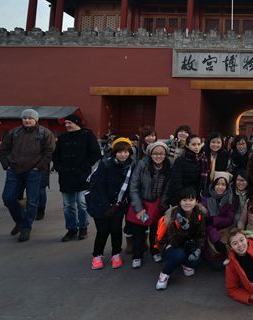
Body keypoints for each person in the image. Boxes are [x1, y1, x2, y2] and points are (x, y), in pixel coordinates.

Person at [0, 108, 55, 242]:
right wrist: (6, 165)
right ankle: (20, 221)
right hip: (14, 170)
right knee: (8, 198)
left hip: (34, 171)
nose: (27, 120)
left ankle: (26, 227)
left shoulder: (44, 133)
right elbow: (4, 149)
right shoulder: (14, 132)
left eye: (30, 118)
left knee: (32, 201)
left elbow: (49, 152)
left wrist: (38, 167)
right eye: (25, 118)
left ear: (36, 119)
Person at [52, 114, 102, 242]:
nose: (67, 125)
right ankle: (71, 229)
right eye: (66, 123)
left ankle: (83, 227)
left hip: (82, 176)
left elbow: (96, 153)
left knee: (82, 203)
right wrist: (58, 167)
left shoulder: (88, 136)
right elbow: (55, 155)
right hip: (65, 176)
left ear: (77, 123)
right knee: (68, 206)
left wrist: (85, 165)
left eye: (69, 123)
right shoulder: (62, 138)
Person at [86, 137, 133, 270]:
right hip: (100, 204)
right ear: (114, 152)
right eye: (119, 152)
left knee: (116, 230)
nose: (123, 155)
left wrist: (117, 205)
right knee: (103, 231)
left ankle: (116, 254)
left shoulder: (131, 166)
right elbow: (98, 187)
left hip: (118, 204)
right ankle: (97, 254)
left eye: (126, 152)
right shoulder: (105, 164)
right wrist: (106, 206)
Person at [127, 141, 171, 268]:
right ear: (150, 154)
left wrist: (163, 204)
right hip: (141, 201)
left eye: (161, 153)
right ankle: (137, 255)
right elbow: (133, 187)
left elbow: (168, 187)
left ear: (166, 154)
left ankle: (155, 250)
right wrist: (139, 208)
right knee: (138, 231)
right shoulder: (142, 164)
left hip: (157, 203)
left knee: (156, 230)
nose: (158, 156)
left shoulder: (169, 165)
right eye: (155, 153)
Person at [154, 187, 206, 290]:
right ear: (179, 202)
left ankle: (185, 264)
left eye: (191, 200)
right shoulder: (173, 215)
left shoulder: (199, 214)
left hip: (187, 243)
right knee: (179, 255)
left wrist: (198, 249)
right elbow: (173, 241)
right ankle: (164, 274)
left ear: (196, 201)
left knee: (196, 260)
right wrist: (184, 228)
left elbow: (201, 235)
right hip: (170, 245)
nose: (187, 203)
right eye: (184, 200)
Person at [202, 172, 238, 270]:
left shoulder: (231, 198)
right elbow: (207, 222)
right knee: (215, 264)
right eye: (217, 184)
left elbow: (230, 219)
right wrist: (216, 240)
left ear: (227, 186)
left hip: (225, 231)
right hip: (211, 232)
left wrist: (214, 220)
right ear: (213, 185)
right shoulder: (206, 198)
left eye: (223, 184)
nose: (220, 187)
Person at [165, 134, 209, 204]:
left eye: (199, 144)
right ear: (187, 145)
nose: (197, 147)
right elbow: (175, 183)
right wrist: (183, 199)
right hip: (182, 198)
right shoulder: (180, 160)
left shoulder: (204, 160)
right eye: (193, 144)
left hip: (196, 198)